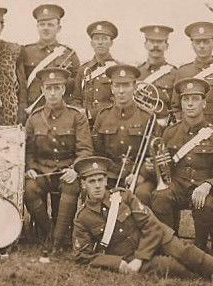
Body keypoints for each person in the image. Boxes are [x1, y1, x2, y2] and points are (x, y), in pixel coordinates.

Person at [71, 156, 213, 283]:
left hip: (156, 240)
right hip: (129, 257)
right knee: (173, 268)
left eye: (100, 180)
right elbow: (82, 256)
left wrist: (140, 257)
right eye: (91, 181)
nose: (97, 185)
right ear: (83, 184)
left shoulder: (124, 197)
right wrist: (117, 263)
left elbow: (151, 226)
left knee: (188, 253)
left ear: (106, 180)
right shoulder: (83, 218)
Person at [148, 78, 213, 258]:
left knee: (205, 203)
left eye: (195, 99)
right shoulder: (170, 132)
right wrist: (155, 165)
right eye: (186, 99)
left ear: (204, 103)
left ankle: (201, 250)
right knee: (160, 197)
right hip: (177, 186)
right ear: (181, 102)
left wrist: (207, 185)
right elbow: (164, 167)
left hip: (202, 187)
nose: (190, 104)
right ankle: (170, 247)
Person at [22, 66, 92, 255]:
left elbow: (85, 149)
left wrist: (76, 169)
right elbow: (27, 150)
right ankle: (50, 235)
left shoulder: (77, 116)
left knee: (71, 186)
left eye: (57, 88)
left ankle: (58, 241)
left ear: (63, 89)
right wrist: (29, 168)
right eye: (48, 88)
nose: (52, 93)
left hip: (66, 169)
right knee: (29, 189)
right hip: (41, 170)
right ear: (42, 90)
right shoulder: (34, 118)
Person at [91, 65, 154, 203]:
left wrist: (140, 174)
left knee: (142, 194)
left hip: (137, 175)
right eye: (117, 86)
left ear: (134, 86)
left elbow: (153, 155)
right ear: (112, 88)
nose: (121, 91)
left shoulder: (146, 117)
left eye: (126, 85)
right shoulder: (102, 116)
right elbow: (96, 151)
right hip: (110, 174)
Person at [172, 21, 213, 145]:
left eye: (206, 41)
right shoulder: (183, 72)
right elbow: (176, 106)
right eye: (197, 42)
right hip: (187, 137)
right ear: (192, 45)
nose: (201, 46)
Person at [20, 4, 80, 114]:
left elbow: (77, 88)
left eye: (50, 25)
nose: (46, 28)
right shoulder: (26, 52)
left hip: (62, 112)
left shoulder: (69, 54)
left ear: (58, 28)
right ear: (37, 27)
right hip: (33, 111)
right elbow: (21, 85)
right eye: (42, 24)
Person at [75, 20, 119, 121]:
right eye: (96, 39)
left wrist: (91, 113)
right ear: (91, 43)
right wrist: (79, 113)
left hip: (109, 121)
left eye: (104, 39)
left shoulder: (117, 69)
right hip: (85, 123)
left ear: (111, 43)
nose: (100, 42)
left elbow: (120, 100)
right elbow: (76, 99)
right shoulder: (83, 70)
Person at [135, 24, 177, 129]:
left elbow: (177, 107)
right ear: (145, 44)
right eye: (152, 41)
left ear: (167, 45)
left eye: (159, 42)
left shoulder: (175, 73)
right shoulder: (137, 73)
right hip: (139, 128)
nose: (155, 45)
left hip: (165, 129)